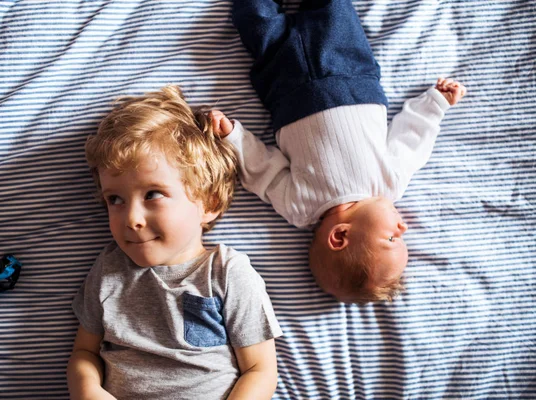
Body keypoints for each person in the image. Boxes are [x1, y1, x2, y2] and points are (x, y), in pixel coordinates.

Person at [212, 0, 467, 303]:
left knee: (256, 21)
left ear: (340, 236)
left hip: (285, 86)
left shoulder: (299, 208)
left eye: (392, 237)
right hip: (349, 70)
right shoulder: (389, 185)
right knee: (332, 11)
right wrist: (435, 104)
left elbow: (261, 170)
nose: (403, 225)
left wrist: (233, 136)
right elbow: (412, 139)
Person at [67, 85, 283, 400]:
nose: (131, 218)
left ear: (208, 203)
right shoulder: (109, 270)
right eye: (115, 199)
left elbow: (261, 370)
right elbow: (84, 352)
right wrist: (86, 388)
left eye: (152, 194)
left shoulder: (226, 273)